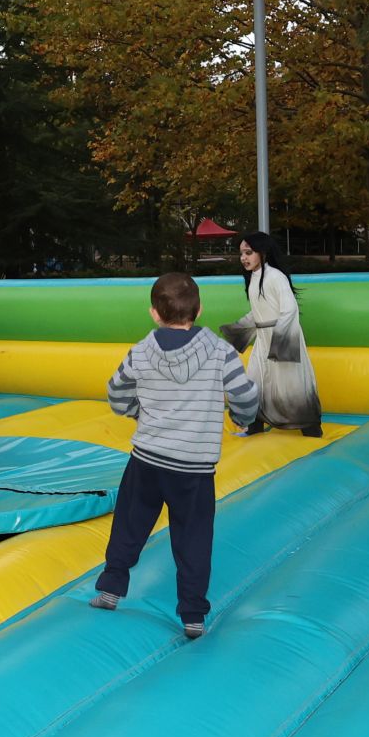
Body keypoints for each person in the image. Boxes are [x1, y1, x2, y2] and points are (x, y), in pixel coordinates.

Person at [91, 273, 260, 639]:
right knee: (194, 538)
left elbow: (115, 392)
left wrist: (135, 411)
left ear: (154, 313)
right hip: (194, 468)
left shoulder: (140, 351)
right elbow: (246, 396)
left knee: (129, 526)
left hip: (148, 458)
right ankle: (193, 615)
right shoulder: (220, 352)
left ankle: (110, 588)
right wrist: (242, 417)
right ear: (199, 310)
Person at [219, 232, 321, 437]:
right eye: (241, 253)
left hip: (281, 338)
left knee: (291, 384)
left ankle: (311, 430)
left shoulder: (275, 277)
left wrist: (280, 342)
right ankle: (254, 427)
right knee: (254, 381)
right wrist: (238, 330)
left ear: (263, 253)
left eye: (248, 252)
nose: (243, 258)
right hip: (263, 340)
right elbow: (258, 313)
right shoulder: (254, 278)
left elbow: (289, 309)